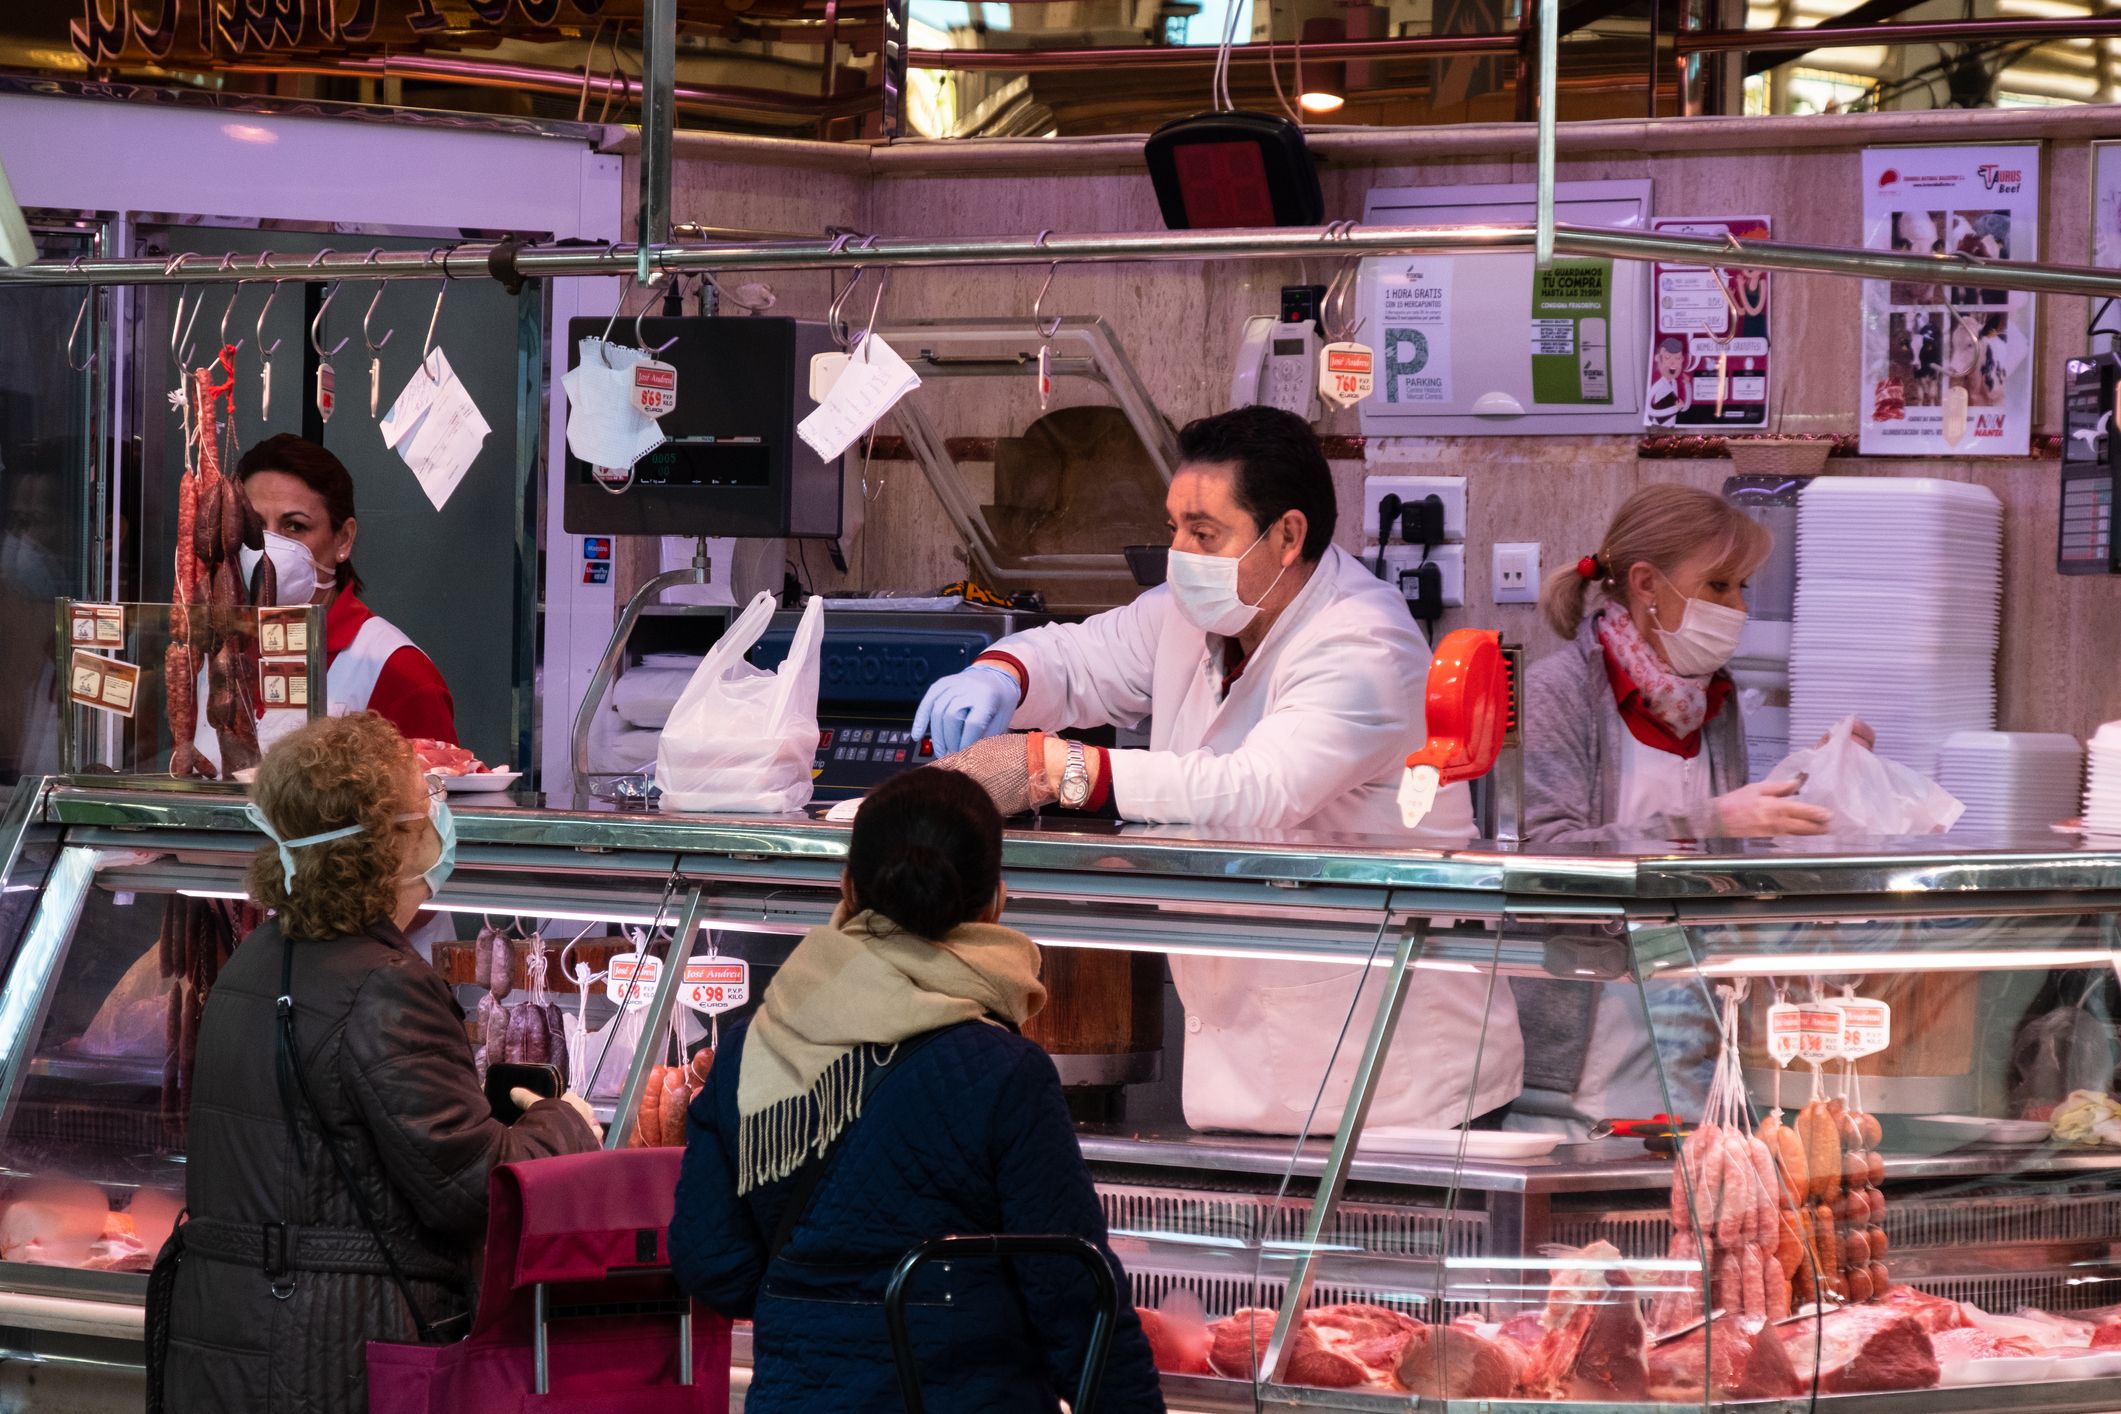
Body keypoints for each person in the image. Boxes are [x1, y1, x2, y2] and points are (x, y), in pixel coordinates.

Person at [906, 404, 1521, 1135]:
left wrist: (1056, 769)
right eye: (1174, 529)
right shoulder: (1196, 613)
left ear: (1287, 535)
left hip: (1394, 1087)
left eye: (1204, 533)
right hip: (1255, 1071)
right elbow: (1077, 658)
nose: (1180, 554)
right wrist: (1000, 673)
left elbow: (1255, 791)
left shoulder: (1365, 644)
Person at [670, 768, 1165, 1414]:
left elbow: (713, 1265)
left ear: (848, 886)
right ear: (993, 902)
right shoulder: (1005, 1073)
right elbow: (1076, 1306)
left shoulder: (750, 1048)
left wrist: (818, 1304)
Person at [152, 713, 599, 1413]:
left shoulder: (253, 962)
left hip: (229, 1336)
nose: (439, 821)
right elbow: (475, 1189)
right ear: (388, 842)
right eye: (429, 805)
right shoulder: (384, 984)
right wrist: (562, 1124)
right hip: (336, 1352)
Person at [1512, 486, 1868, 1137]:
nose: (1738, 608)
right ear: (1646, 583)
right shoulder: (1557, 691)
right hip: (1579, 1060)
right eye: (1719, 585)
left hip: (1690, 1038)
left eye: (1742, 588)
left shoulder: (1712, 701)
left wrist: (1810, 783)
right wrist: (1707, 821)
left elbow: (1717, 861)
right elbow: (1544, 869)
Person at [192, 434, 456, 771]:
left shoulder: (396, 670)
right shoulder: (217, 654)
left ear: (343, 539)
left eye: (295, 526)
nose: (269, 547)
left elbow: (433, 811)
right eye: (255, 527)